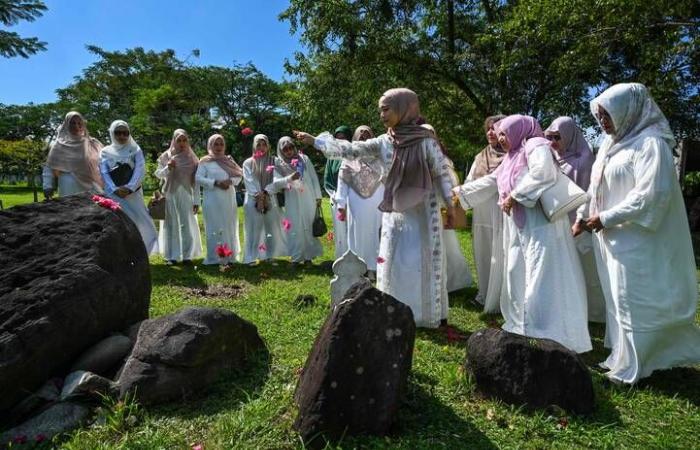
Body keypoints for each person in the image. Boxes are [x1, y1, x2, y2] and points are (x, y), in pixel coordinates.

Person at [295, 88, 457, 328]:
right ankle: (396, 311)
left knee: (421, 262)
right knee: (395, 262)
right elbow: (351, 150)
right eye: (380, 109)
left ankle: (426, 315)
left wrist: (451, 206)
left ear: (404, 108)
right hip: (395, 214)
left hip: (424, 213)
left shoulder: (425, 142)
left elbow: (442, 173)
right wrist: (316, 141)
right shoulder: (384, 142)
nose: (381, 114)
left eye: (386, 108)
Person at [573, 82, 700, 383]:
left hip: (637, 238)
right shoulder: (609, 144)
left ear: (626, 111)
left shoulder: (651, 144)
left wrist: (606, 217)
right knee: (616, 297)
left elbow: (651, 195)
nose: (602, 122)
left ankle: (640, 364)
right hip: (610, 236)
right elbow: (594, 186)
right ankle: (622, 356)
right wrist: (582, 216)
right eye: (599, 116)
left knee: (634, 297)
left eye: (607, 115)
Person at [454, 114, 591, 353]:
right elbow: (490, 182)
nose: (501, 138)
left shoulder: (536, 145)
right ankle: (521, 322)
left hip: (540, 225)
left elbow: (543, 173)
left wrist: (516, 195)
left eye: (505, 133)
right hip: (519, 225)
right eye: (500, 134)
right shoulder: (512, 156)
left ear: (518, 130)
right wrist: (459, 193)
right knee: (515, 269)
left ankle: (544, 328)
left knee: (540, 271)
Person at [545, 116, 605, 323]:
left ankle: (594, 314)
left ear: (569, 136)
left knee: (585, 269)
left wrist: (579, 221)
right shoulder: (551, 157)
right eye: (549, 136)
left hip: (578, 224)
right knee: (561, 268)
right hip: (556, 220)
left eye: (557, 137)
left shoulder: (584, 160)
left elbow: (589, 193)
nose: (552, 142)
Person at [421, 123, 472, 293]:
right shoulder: (415, 155)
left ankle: (446, 282)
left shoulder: (442, 158)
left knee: (444, 246)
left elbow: (452, 183)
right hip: (420, 206)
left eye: (430, 133)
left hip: (439, 205)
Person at [465, 115, 507, 313]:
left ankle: (500, 296)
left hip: (501, 213)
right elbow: (469, 181)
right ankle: (483, 293)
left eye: (495, 128)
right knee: (482, 252)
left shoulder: (513, 155)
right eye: (488, 129)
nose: (490, 132)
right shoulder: (480, 156)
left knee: (501, 254)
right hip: (481, 213)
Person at [99, 120, 158, 254]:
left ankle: (141, 251)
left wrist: (129, 188)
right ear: (112, 133)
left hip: (133, 194)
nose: (122, 136)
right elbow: (103, 171)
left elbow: (140, 169)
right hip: (114, 194)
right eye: (118, 133)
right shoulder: (105, 151)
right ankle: (120, 253)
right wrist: (114, 189)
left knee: (140, 220)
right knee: (118, 222)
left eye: (125, 133)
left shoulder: (135, 149)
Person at [334, 125, 385, 276]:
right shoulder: (349, 158)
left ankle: (374, 268)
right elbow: (342, 182)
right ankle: (359, 268)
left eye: (367, 135)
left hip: (378, 201)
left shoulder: (380, 157)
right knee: (357, 234)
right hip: (356, 203)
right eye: (360, 135)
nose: (363, 137)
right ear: (355, 138)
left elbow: (388, 179)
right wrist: (341, 204)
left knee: (377, 233)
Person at [265, 137, 323, 264]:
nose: (289, 151)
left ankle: (309, 257)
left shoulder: (304, 159)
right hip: (292, 200)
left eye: (291, 147)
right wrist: (289, 178)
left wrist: (318, 197)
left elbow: (313, 177)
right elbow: (276, 184)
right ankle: (296, 257)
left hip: (308, 198)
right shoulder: (279, 164)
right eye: (285, 149)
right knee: (294, 227)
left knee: (308, 224)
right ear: (281, 151)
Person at [155, 129, 203, 265]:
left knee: (186, 223)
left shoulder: (192, 158)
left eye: (184, 140)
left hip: (187, 193)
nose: (182, 143)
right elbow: (158, 174)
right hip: (170, 193)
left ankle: (187, 255)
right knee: (171, 224)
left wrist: (196, 200)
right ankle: (172, 256)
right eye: (179, 140)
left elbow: (197, 182)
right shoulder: (166, 156)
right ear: (174, 141)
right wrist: (167, 168)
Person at [195, 134, 243, 266]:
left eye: (221, 144)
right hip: (212, 199)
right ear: (210, 145)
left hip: (228, 198)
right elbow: (198, 178)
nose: (219, 147)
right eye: (216, 144)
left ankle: (229, 256)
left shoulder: (228, 160)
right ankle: (215, 257)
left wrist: (230, 181)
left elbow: (239, 175)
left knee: (228, 225)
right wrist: (215, 182)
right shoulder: (205, 161)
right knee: (214, 226)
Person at [241, 134, 287, 264]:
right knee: (253, 228)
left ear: (268, 146)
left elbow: (278, 180)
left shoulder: (274, 161)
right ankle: (250, 257)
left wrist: (266, 193)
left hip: (270, 198)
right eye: (258, 144)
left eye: (264, 144)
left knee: (270, 227)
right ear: (254, 146)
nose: (261, 147)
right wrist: (259, 197)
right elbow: (249, 181)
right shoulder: (248, 163)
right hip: (252, 199)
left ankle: (269, 255)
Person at [43, 111, 104, 198]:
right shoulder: (59, 145)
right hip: (68, 185)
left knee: (92, 210)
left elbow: (104, 162)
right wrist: (47, 186)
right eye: (72, 123)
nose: (76, 126)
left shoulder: (93, 143)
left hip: (91, 185)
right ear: (67, 124)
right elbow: (49, 166)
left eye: (79, 123)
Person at [324, 125, 352, 259]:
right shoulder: (331, 157)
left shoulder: (354, 154)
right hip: (336, 198)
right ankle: (341, 258)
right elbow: (327, 179)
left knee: (351, 229)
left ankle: (355, 258)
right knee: (340, 229)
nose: (340, 141)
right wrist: (334, 195)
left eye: (343, 138)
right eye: (338, 138)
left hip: (352, 199)